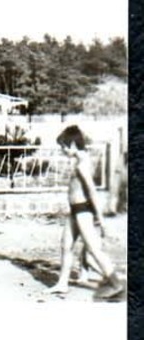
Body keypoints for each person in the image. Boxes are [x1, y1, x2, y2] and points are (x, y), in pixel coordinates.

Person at [53, 125, 126, 300]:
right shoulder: (79, 160)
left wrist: (100, 219)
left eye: (63, 146)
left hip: (83, 211)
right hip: (75, 210)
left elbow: (92, 191)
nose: (62, 150)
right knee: (66, 245)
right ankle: (62, 284)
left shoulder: (82, 164)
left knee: (93, 249)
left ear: (72, 144)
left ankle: (116, 284)